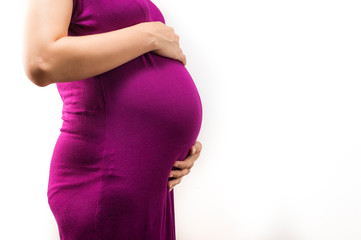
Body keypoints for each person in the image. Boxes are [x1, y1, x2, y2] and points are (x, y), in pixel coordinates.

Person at [22, 0, 203, 239]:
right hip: (105, 175)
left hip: (146, 181)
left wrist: (177, 146)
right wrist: (150, 34)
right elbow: (41, 61)